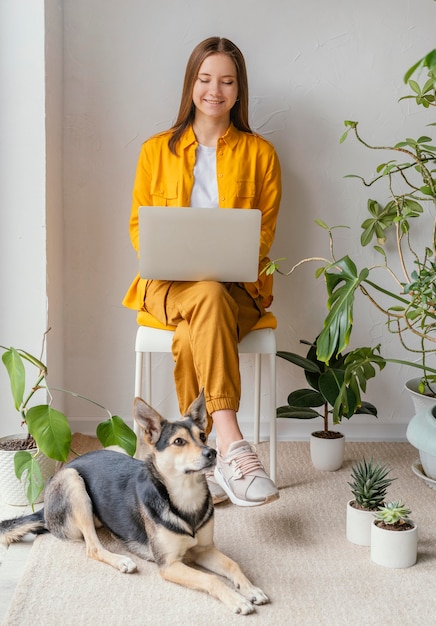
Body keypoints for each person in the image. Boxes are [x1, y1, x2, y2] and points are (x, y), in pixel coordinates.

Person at [123, 37, 282, 507]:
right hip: (166, 288)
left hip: (238, 292)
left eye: (227, 81)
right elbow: (139, 227)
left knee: (209, 298)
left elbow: (264, 236)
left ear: (239, 89)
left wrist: (217, 267)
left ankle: (198, 460)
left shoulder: (261, 154)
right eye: (206, 78)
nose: (216, 89)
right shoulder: (157, 151)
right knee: (204, 295)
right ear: (192, 83)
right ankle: (231, 445)